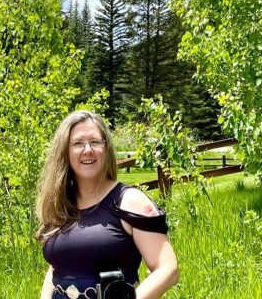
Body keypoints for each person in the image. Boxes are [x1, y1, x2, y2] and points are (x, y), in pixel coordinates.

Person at [36, 110, 179, 299]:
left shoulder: (130, 201)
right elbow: (56, 267)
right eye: (78, 143)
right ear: (65, 151)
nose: (88, 149)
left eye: (95, 141)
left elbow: (168, 269)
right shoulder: (60, 204)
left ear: (106, 147)